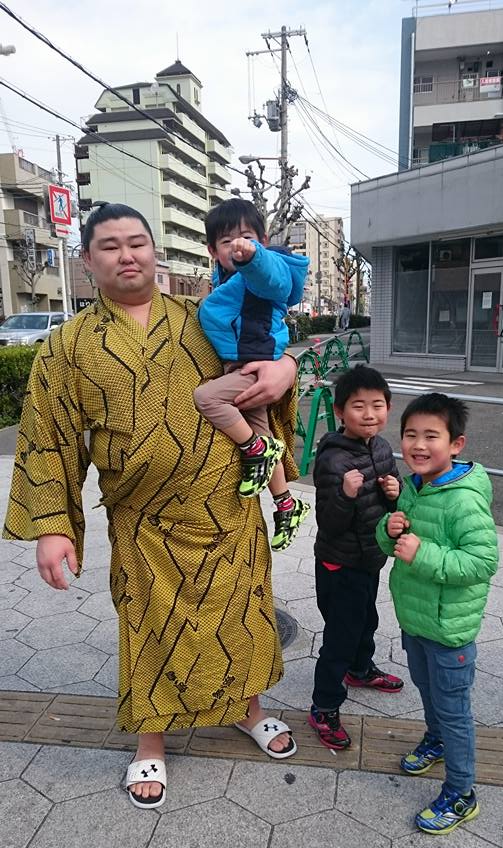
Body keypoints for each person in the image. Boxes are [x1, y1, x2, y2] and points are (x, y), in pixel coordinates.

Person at [3, 202, 302, 811]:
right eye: (110, 246)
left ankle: (249, 712)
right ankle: (152, 740)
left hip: (227, 504)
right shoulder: (67, 347)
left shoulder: (206, 315)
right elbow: (49, 438)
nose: (127, 254)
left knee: (242, 617)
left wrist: (286, 370)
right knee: (147, 627)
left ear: (155, 252)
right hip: (143, 521)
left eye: (137, 242)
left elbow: (270, 340)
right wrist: (53, 527)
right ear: (87, 260)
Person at [376, 393, 498, 835]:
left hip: (449, 631)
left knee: (454, 710)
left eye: (432, 436)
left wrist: (422, 553)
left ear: (457, 444)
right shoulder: (415, 486)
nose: (418, 445)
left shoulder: (464, 500)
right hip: (417, 620)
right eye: (411, 435)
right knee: (429, 693)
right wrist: (388, 531)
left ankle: (462, 792)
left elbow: (482, 563)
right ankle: (437, 739)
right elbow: (397, 542)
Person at [194, 198, 311, 552]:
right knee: (262, 432)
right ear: (213, 250)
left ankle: (254, 449)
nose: (237, 245)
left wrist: (254, 256)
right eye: (227, 241)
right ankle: (287, 504)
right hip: (245, 364)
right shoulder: (226, 277)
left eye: (246, 236)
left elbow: (274, 280)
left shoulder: (258, 270)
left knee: (207, 398)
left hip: (253, 363)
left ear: (260, 238)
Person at [309, 365, 404, 750]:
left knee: (367, 619)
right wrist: (346, 495)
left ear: (389, 408)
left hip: (370, 556)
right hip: (339, 562)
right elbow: (328, 524)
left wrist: (395, 492)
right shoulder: (332, 461)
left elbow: (390, 504)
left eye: (377, 406)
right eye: (358, 406)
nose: (369, 414)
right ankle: (323, 707)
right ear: (340, 411)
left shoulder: (381, 448)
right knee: (340, 636)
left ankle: (360, 670)